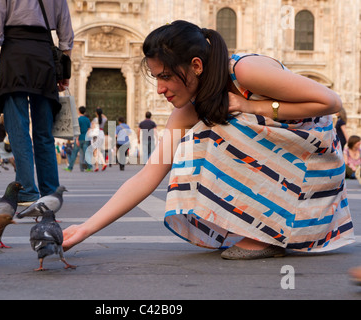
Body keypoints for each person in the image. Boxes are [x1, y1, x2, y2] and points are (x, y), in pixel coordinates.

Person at [62, 20, 354, 260]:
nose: (161, 89)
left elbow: (330, 101)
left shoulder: (244, 71)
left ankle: (265, 233)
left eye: (165, 76)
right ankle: (260, 228)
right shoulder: (188, 110)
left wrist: (251, 106)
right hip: (286, 168)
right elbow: (150, 173)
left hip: (314, 163)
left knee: (209, 133)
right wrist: (85, 229)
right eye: (156, 78)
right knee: (206, 129)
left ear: (197, 66)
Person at [0, 0, 74, 205]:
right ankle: (51, 191)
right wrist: (64, 71)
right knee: (44, 132)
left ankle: (26, 189)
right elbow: (66, 36)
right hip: (44, 58)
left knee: (18, 128)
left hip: (14, 56)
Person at [65, 106, 92, 172]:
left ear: (79, 111)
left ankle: (70, 167)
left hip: (79, 138)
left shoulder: (78, 119)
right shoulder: (87, 119)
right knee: (86, 153)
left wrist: (76, 139)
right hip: (86, 138)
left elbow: (78, 129)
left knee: (74, 153)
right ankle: (89, 167)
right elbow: (89, 129)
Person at [88, 107, 107, 172]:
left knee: (96, 150)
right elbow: (106, 117)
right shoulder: (103, 119)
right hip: (101, 133)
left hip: (95, 134)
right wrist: (100, 113)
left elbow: (92, 127)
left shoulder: (95, 119)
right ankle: (97, 166)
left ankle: (103, 163)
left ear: (96, 113)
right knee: (96, 150)